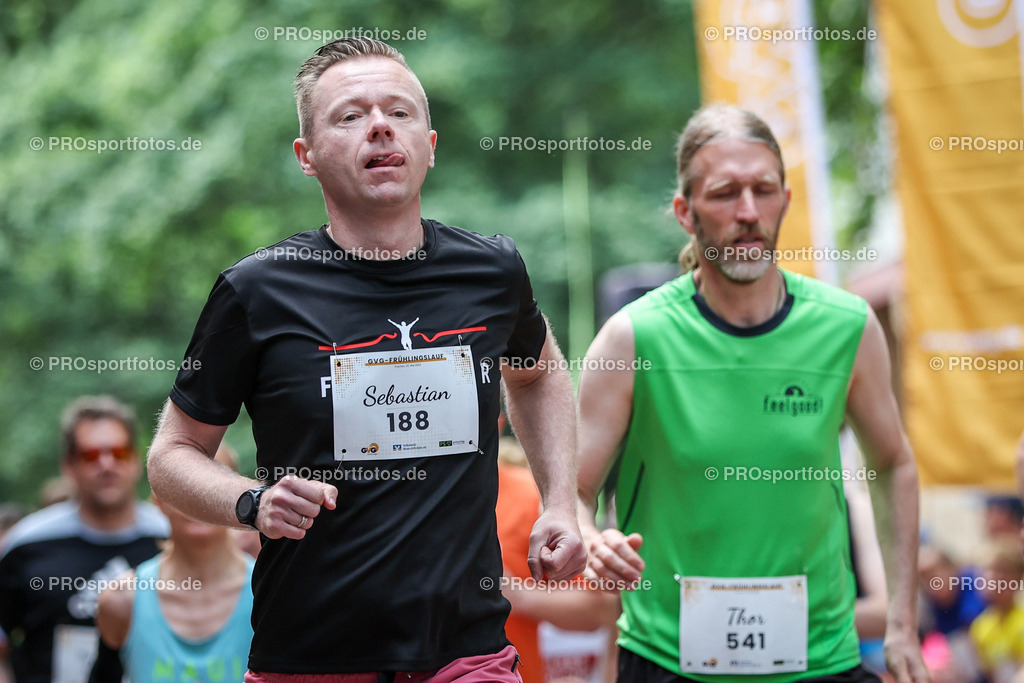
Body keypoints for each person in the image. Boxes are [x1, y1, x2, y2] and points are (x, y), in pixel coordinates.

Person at [146, 37, 585, 682]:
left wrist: (561, 502)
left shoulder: (490, 270)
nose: (380, 125)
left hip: (467, 656)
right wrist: (252, 501)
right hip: (314, 658)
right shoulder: (256, 291)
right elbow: (170, 457)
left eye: (399, 112)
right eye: (350, 116)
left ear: (430, 144)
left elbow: (539, 371)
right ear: (308, 156)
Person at [575, 104, 928, 682]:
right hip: (669, 663)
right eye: (724, 194)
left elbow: (894, 465)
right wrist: (592, 541)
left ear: (786, 201)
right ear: (685, 213)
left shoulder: (846, 327)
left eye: (763, 190)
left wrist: (903, 624)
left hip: (821, 662)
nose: (747, 212)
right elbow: (575, 493)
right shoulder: (633, 337)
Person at [0, 396, 168, 683]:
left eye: (119, 452)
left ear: (137, 460)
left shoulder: (167, 538)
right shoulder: (27, 544)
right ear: (68, 466)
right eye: (91, 455)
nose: (106, 464)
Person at [94, 446, 254, 683]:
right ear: (158, 499)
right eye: (183, 483)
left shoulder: (272, 598)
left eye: (217, 479)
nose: (200, 496)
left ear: (241, 495)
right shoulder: (122, 600)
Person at [968, 540, 1024, 683]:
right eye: (986, 573)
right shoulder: (979, 627)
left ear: (1018, 579)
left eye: (1002, 573)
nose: (991, 579)